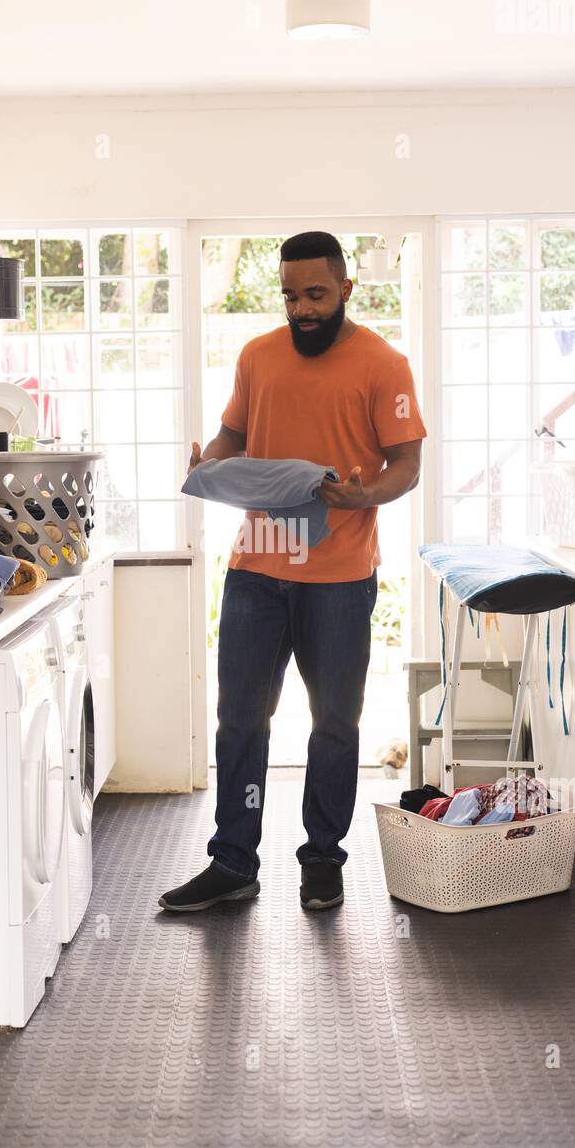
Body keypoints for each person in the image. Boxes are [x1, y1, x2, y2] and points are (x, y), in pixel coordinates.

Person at [159, 231, 427, 913]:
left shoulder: (383, 364)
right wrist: (209, 463)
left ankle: (322, 859)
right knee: (240, 721)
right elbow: (234, 436)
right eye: (288, 295)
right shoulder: (257, 357)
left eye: (313, 294)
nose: (300, 309)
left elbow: (405, 466)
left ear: (345, 289)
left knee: (333, 721)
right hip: (256, 567)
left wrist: (364, 495)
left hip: (338, 575)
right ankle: (232, 861)